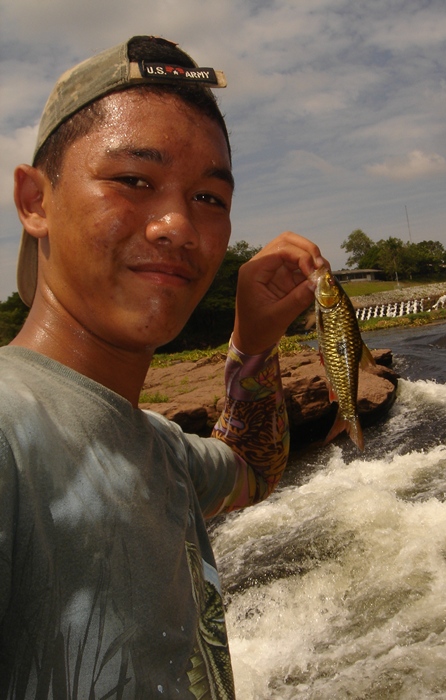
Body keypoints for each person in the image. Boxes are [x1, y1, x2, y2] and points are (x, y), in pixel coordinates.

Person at [0, 36, 326, 698]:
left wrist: (253, 341)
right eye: (132, 181)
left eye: (209, 197)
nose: (177, 224)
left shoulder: (160, 450)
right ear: (36, 201)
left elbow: (253, 470)